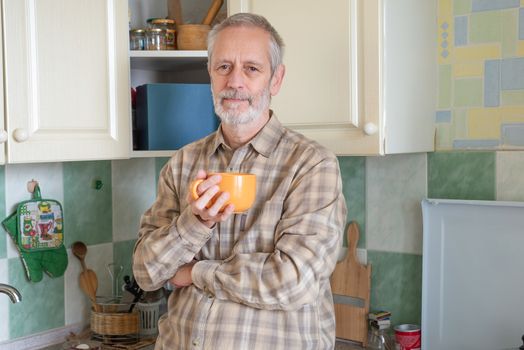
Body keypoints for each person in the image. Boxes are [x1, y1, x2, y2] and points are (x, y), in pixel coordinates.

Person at [133, 12, 347, 350]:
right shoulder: (183, 163)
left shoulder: (311, 165)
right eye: (223, 67)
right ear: (211, 75)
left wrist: (195, 272)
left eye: (252, 68)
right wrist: (196, 222)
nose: (235, 81)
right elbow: (146, 272)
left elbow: (294, 281)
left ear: (275, 80)